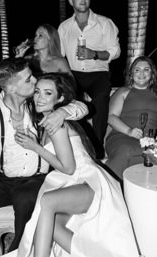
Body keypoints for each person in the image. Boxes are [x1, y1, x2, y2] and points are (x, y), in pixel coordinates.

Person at [0, 72, 157, 257]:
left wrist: (38, 149)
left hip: (87, 182)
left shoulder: (57, 122)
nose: (40, 97)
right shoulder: (46, 119)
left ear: (60, 99)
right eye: (38, 91)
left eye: (48, 93)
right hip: (74, 180)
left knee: (46, 203)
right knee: (49, 228)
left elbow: (69, 167)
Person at [0, 57, 88, 257]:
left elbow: (83, 106)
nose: (35, 80)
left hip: (37, 178)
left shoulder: (37, 104)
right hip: (4, 179)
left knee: (26, 199)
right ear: (11, 87)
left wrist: (63, 112)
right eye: (29, 79)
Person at [58, 0, 121, 159]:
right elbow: (58, 54)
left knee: (100, 98)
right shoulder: (64, 27)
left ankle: (98, 150)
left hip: (97, 73)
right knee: (68, 100)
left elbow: (115, 51)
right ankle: (74, 148)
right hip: (73, 73)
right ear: (71, 1)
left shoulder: (105, 23)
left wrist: (95, 54)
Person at [105, 55, 157, 181]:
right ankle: (107, 186)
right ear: (131, 73)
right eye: (137, 70)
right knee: (126, 150)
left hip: (149, 142)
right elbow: (111, 117)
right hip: (122, 136)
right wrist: (129, 131)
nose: (141, 73)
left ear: (152, 73)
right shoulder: (123, 92)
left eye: (146, 69)